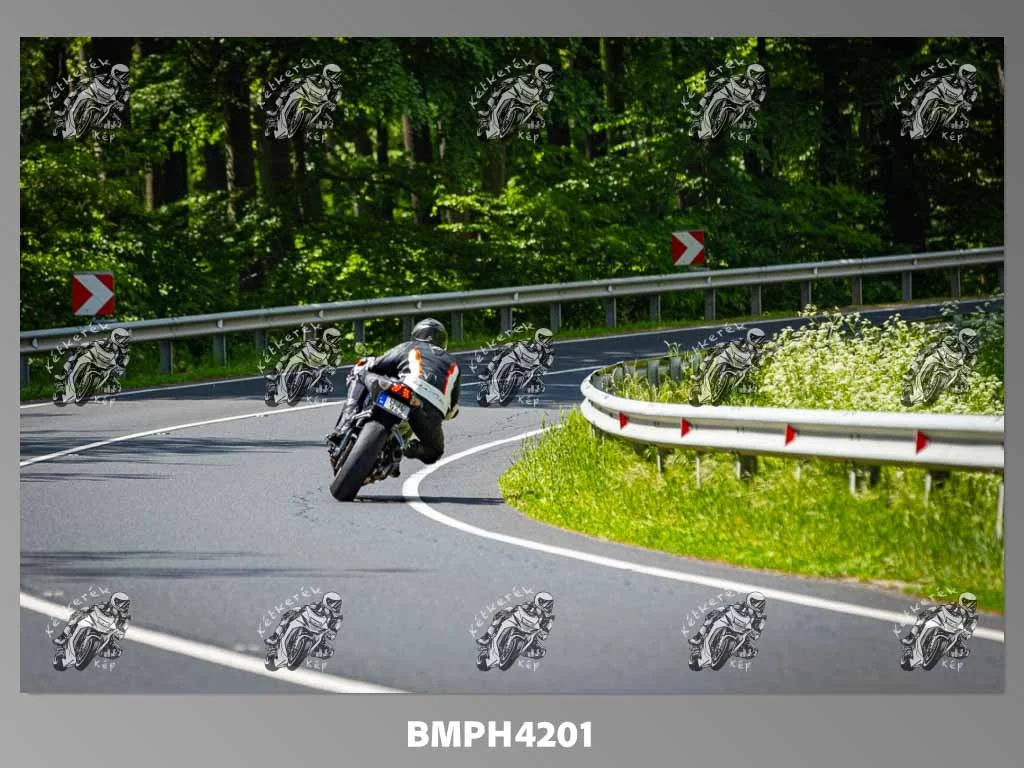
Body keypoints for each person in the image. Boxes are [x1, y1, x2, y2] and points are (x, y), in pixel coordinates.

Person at [327, 318, 461, 469]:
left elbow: (376, 364)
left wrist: (369, 366)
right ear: (443, 341)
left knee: (360, 372)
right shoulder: (453, 363)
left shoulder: (409, 346)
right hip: (429, 412)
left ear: (417, 334)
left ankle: (343, 427)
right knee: (434, 452)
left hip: (406, 388)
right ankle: (404, 450)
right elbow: (452, 408)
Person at [264, 592, 344, 670]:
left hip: (319, 632)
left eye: (337, 604)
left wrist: (332, 632)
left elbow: (336, 627)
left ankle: (307, 652)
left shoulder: (338, 616)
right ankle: (275, 637)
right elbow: (305, 608)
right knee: (289, 615)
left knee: (329, 652)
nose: (335, 606)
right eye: (333, 602)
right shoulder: (317, 605)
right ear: (326, 600)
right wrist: (298, 611)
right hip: (306, 624)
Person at [688, 592, 767, 669]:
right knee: (713, 615)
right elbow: (729, 608)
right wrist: (721, 611)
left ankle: (730, 652)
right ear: (750, 600)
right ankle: (699, 636)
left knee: (752, 652)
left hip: (743, 632)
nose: (758, 605)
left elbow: (756, 634)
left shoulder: (761, 618)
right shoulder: (741, 604)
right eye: (756, 602)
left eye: (760, 604)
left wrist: (754, 631)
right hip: (730, 624)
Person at [265, 326, 343, 405]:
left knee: (327, 384)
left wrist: (334, 365)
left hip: (319, 365)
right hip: (305, 358)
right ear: (328, 337)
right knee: (287, 354)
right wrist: (295, 346)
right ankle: (276, 370)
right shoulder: (317, 341)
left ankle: (314, 393)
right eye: (335, 339)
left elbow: (339, 357)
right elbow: (304, 343)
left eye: (338, 339)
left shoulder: (336, 349)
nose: (337, 341)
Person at [53, 592, 131, 669]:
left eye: (124, 604)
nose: (121, 605)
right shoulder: (105, 605)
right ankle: (63, 636)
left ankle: (96, 652)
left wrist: (120, 632)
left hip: (108, 632)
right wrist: (86, 611)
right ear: (114, 600)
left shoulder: (125, 617)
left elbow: (124, 627)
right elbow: (92, 608)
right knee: (78, 615)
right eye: (120, 602)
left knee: (117, 652)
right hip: (95, 623)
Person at [477, 64, 556, 140]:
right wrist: (508, 82)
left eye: (550, 76)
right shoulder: (529, 77)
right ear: (540, 73)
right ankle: (487, 111)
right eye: (547, 75)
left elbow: (548, 98)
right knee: (499, 90)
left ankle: (516, 127)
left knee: (539, 121)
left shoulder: (547, 88)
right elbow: (515, 79)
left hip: (529, 103)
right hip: (516, 94)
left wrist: (545, 102)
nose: (549, 78)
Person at [900, 592, 978, 669]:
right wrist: (933, 610)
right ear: (962, 601)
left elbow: (971, 627)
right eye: (968, 602)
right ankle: (911, 636)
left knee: (963, 651)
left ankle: (948, 651)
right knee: (923, 617)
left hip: (955, 631)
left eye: (973, 603)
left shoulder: (973, 617)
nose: (970, 605)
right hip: (942, 623)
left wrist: (967, 632)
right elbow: (941, 607)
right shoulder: (953, 605)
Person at [479, 327, 555, 405]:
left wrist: (543, 369)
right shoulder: (529, 341)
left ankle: (520, 389)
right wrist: (508, 346)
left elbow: (549, 361)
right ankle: (487, 371)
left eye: (550, 339)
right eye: (547, 339)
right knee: (502, 351)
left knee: (540, 388)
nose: (550, 341)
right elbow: (517, 343)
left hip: (531, 368)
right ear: (540, 337)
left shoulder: (548, 351)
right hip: (517, 359)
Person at [55, 327, 131, 405]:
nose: (124, 341)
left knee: (114, 384)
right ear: (115, 337)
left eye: (125, 339)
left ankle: (101, 386)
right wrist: (84, 345)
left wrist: (121, 366)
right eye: (122, 339)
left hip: (106, 367)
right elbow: (93, 342)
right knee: (74, 367)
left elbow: (125, 359)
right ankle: (68, 389)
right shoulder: (105, 341)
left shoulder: (123, 350)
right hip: (92, 358)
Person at [901, 64, 978, 140]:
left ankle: (946, 126)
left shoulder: (972, 86)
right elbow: (939, 78)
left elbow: (974, 94)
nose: (972, 78)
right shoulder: (952, 76)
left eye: (973, 75)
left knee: (959, 114)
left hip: (955, 102)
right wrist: (931, 82)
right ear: (963, 72)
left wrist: (969, 102)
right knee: (924, 91)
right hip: (940, 93)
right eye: (970, 75)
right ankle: (911, 111)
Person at [692, 63, 767, 140]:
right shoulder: (740, 77)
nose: (757, 77)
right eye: (755, 73)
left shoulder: (761, 88)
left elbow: (760, 99)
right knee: (713, 88)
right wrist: (722, 81)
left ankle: (734, 127)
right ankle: (699, 109)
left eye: (760, 75)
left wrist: (755, 104)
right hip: (728, 94)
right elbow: (728, 78)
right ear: (750, 71)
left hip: (742, 103)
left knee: (752, 123)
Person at [476, 592, 555, 662]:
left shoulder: (549, 617)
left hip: (530, 633)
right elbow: (517, 608)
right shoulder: (529, 605)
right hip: (518, 624)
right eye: (546, 603)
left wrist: (544, 633)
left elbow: (546, 631)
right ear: (539, 600)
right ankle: (487, 636)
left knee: (540, 652)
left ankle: (518, 652)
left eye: (550, 604)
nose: (548, 605)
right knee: (503, 613)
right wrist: (511, 611)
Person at [58, 64, 130, 139]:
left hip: (107, 101)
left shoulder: (124, 87)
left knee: (112, 115)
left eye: (125, 76)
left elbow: (126, 94)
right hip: (93, 93)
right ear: (115, 72)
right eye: (123, 75)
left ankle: (99, 125)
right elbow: (92, 79)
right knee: (77, 99)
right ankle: (66, 112)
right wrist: (86, 82)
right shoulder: (105, 76)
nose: (124, 77)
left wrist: (122, 102)